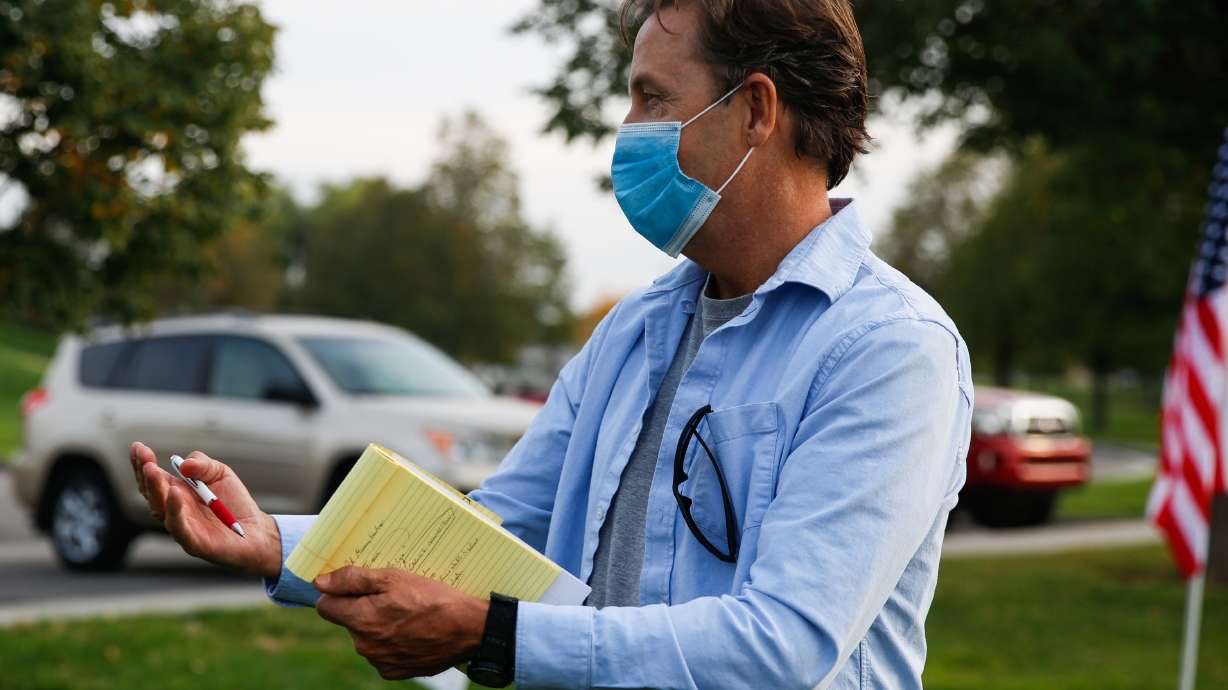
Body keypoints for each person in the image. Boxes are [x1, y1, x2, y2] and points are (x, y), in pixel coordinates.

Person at [130, 1, 973, 687]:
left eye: (652, 97)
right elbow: (496, 530)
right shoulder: (636, 329)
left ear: (755, 110)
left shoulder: (889, 350)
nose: (627, 129)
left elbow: (780, 644)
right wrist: (278, 542)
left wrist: (492, 636)